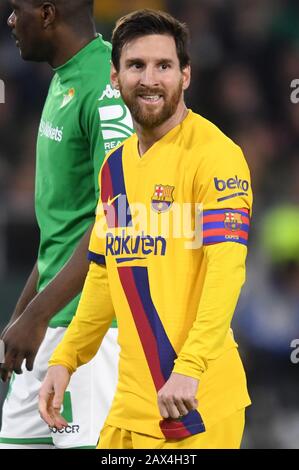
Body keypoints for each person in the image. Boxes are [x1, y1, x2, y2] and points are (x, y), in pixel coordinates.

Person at [39, 9, 252, 449]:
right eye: (136, 65)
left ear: (186, 75)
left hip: (195, 408)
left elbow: (225, 272)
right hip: (130, 408)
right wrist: (66, 359)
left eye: (164, 66)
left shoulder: (217, 157)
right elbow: (103, 271)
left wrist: (190, 367)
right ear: (115, 77)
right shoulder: (113, 169)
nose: (150, 79)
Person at [0, 0, 133, 449]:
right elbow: (63, 229)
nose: (11, 21)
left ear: (49, 14)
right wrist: (23, 313)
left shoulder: (107, 86)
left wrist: (35, 315)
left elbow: (116, 220)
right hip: (49, 322)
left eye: (18, 10)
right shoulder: (64, 78)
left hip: (91, 332)